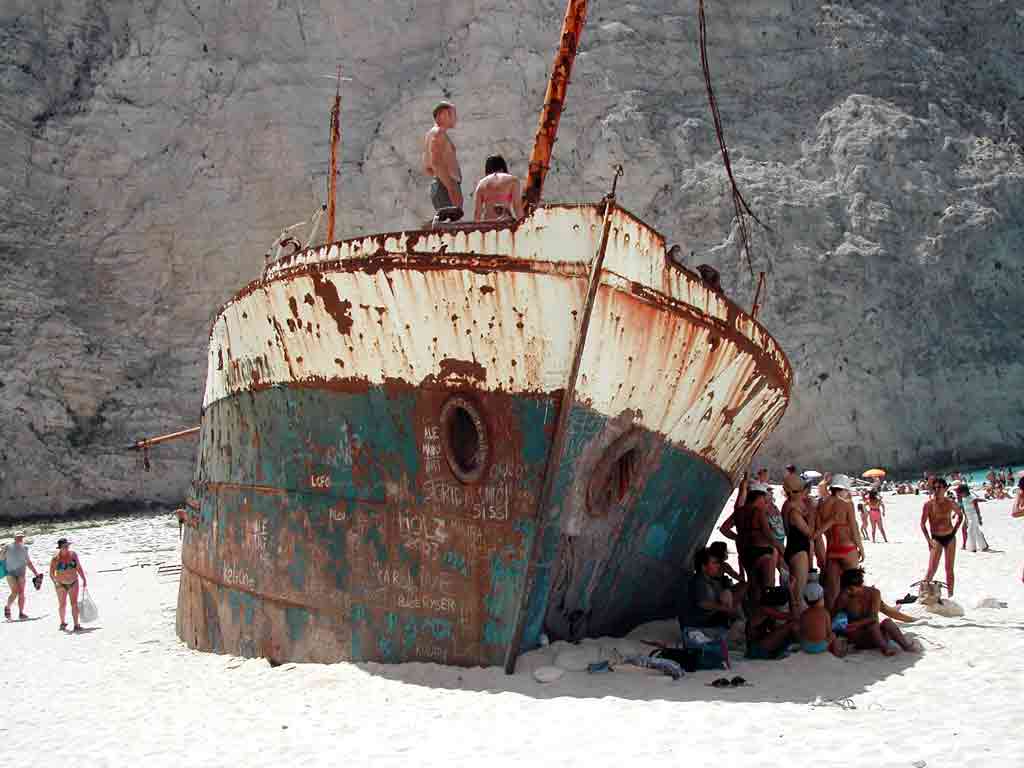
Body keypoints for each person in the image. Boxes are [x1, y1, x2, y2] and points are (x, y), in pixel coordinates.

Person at [835, 568, 920, 656]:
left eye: (851, 588)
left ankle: (906, 646)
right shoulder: (844, 597)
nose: (849, 591)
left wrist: (858, 623)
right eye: (847, 589)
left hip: (877, 634)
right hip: (859, 637)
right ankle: (885, 649)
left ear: (860, 585)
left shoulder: (874, 593)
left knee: (886, 622)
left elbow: (874, 616)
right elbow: (834, 617)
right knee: (873, 623)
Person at [720, 483, 782, 601]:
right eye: (764, 499)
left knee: (754, 586)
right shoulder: (758, 512)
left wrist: (738, 537)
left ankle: (752, 613)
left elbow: (724, 529)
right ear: (758, 497)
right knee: (768, 587)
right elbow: (769, 536)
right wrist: (783, 551)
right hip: (763, 552)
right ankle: (767, 616)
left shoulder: (739, 512)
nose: (765, 503)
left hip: (746, 553)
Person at [816, 474, 864, 611]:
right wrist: (861, 548)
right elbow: (854, 529)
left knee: (832, 592)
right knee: (854, 587)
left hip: (831, 551)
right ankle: (855, 616)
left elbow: (820, 532)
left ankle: (832, 619)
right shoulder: (846, 504)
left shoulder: (822, 505)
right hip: (847, 549)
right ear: (842, 489)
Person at [920, 477, 964, 596]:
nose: (937, 490)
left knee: (949, 569)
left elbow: (960, 516)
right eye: (935, 487)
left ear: (945, 488)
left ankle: (951, 595)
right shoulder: (928, 505)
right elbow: (922, 524)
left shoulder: (950, 503)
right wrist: (928, 540)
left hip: (950, 537)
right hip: (936, 538)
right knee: (931, 569)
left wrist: (955, 531)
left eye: (939, 487)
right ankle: (922, 594)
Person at [683, 547, 740, 632]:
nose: (718, 565)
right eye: (714, 563)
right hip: (699, 623)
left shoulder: (709, 579)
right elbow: (702, 603)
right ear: (703, 567)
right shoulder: (699, 581)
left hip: (706, 619)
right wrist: (725, 608)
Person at [422, 101, 463, 216]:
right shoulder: (438, 133)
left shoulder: (431, 134)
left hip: (441, 186)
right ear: (443, 114)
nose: (456, 118)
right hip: (445, 188)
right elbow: (435, 162)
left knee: (447, 227)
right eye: (453, 114)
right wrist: (451, 187)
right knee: (451, 228)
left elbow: (427, 166)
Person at [782, 481, 815, 614]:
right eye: (800, 491)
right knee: (798, 595)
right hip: (798, 550)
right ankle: (796, 625)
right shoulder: (793, 511)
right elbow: (810, 532)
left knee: (796, 591)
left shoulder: (791, 506)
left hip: (796, 547)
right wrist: (812, 513)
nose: (803, 494)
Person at [745, 585, 798, 660]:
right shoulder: (764, 609)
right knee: (792, 624)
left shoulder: (763, 608)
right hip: (756, 649)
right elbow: (794, 616)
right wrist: (791, 592)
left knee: (789, 627)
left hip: (759, 646)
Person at [50, 538, 88, 632]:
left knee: (74, 604)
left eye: (67, 546)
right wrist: (56, 582)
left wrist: (83, 578)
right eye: (65, 546)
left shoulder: (73, 555)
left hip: (73, 581)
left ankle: (76, 625)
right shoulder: (55, 558)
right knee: (62, 604)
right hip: (61, 584)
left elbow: (78, 567)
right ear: (60, 548)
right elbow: (51, 573)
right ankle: (62, 623)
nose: (67, 548)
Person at [472, 155, 523, 221]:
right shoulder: (512, 180)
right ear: (503, 167)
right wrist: (523, 224)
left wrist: (476, 229)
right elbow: (517, 206)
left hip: (488, 224)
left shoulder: (481, 183)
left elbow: (477, 212)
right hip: (505, 222)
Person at [4, 533, 40, 620]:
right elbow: (1, 558)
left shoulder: (25, 548)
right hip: (10, 572)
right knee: (15, 591)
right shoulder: (8, 546)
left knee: (21, 593)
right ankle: (7, 607)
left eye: (21, 537)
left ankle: (21, 613)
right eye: (18, 536)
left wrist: (36, 573)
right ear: (14, 537)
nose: (20, 538)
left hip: (21, 572)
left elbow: (28, 562)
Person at [799, 582, 841, 655]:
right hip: (820, 646)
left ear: (805, 600)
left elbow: (802, 630)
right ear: (822, 599)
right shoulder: (825, 613)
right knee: (833, 635)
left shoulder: (804, 614)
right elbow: (829, 631)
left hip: (805, 646)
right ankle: (836, 653)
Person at [956, 484, 989, 552]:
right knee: (977, 532)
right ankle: (984, 546)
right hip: (968, 517)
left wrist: (979, 518)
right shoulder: (963, 498)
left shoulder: (972, 498)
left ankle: (972, 548)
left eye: (960, 492)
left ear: (964, 491)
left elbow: (977, 509)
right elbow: (963, 509)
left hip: (974, 517)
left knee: (970, 531)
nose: (960, 494)